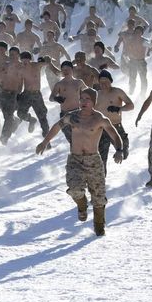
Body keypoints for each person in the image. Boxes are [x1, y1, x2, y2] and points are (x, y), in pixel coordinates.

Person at [36, 88, 124, 236]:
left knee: (99, 197)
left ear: (94, 102)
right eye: (81, 99)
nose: (84, 102)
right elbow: (58, 126)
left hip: (93, 161)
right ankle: (82, 207)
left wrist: (119, 150)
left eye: (87, 99)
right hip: (75, 160)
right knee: (75, 189)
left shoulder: (100, 119)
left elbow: (115, 136)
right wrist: (45, 142)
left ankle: (99, 226)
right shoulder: (72, 117)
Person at [95, 70, 132, 171]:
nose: (104, 85)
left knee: (123, 154)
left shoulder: (117, 92)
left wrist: (119, 108)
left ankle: (123, 147)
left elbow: (131, 105)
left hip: (116, 126)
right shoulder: (96, 95)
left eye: (106, 82)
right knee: (101, 160)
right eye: (101, 82)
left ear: (111, 81)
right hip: (102, 130)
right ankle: (100, 182)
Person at [16, 52, 56, 137]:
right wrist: (17, 94)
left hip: (36, 94)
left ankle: (47, 141)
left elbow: (47, 61)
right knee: (20, 113)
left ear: (30, 60)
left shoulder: (37, 65)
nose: (24, 62)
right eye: (22, 61)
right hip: (26, 94)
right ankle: (31, 120)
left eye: (26, 60)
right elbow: (20, 85)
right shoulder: (21, 70)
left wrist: (47, 58)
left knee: (43, 118)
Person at [50, 61, 87, 144]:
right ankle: (75, 154)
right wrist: (56, 98)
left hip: (78, 113)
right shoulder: (59, 84)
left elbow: (88, 93)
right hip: (65, 114)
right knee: (71, 139)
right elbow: (50, 98)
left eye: (67, 69)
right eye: (63, 70)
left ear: (72, 69)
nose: (65, 71)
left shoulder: (79, 82)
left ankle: (83, 154)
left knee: (81, 138)